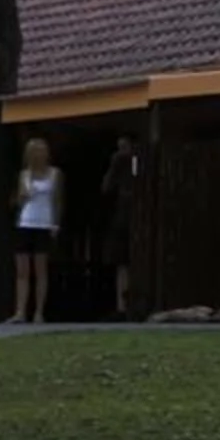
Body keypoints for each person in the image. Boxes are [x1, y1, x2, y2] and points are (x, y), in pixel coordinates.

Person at [11, 137, 59, 323]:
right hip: (25, 222)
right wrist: (22, 196)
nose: (38, 155)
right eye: (34, 151)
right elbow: (17, 201)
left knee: (41, 270)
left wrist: (56, 223)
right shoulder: (24, 175)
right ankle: (20, 311)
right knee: (22, 271)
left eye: (41, 151)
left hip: (44, 223)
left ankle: (39, 312)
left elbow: (57, 200)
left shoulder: (54, 174)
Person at [100, 136, 142, 319]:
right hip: (122, 215)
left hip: (138, 214)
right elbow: (107, 187)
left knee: (135, 259)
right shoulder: (117, 165)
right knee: (121, 260)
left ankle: (135, 302)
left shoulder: (138, 161)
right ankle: (121, 306)